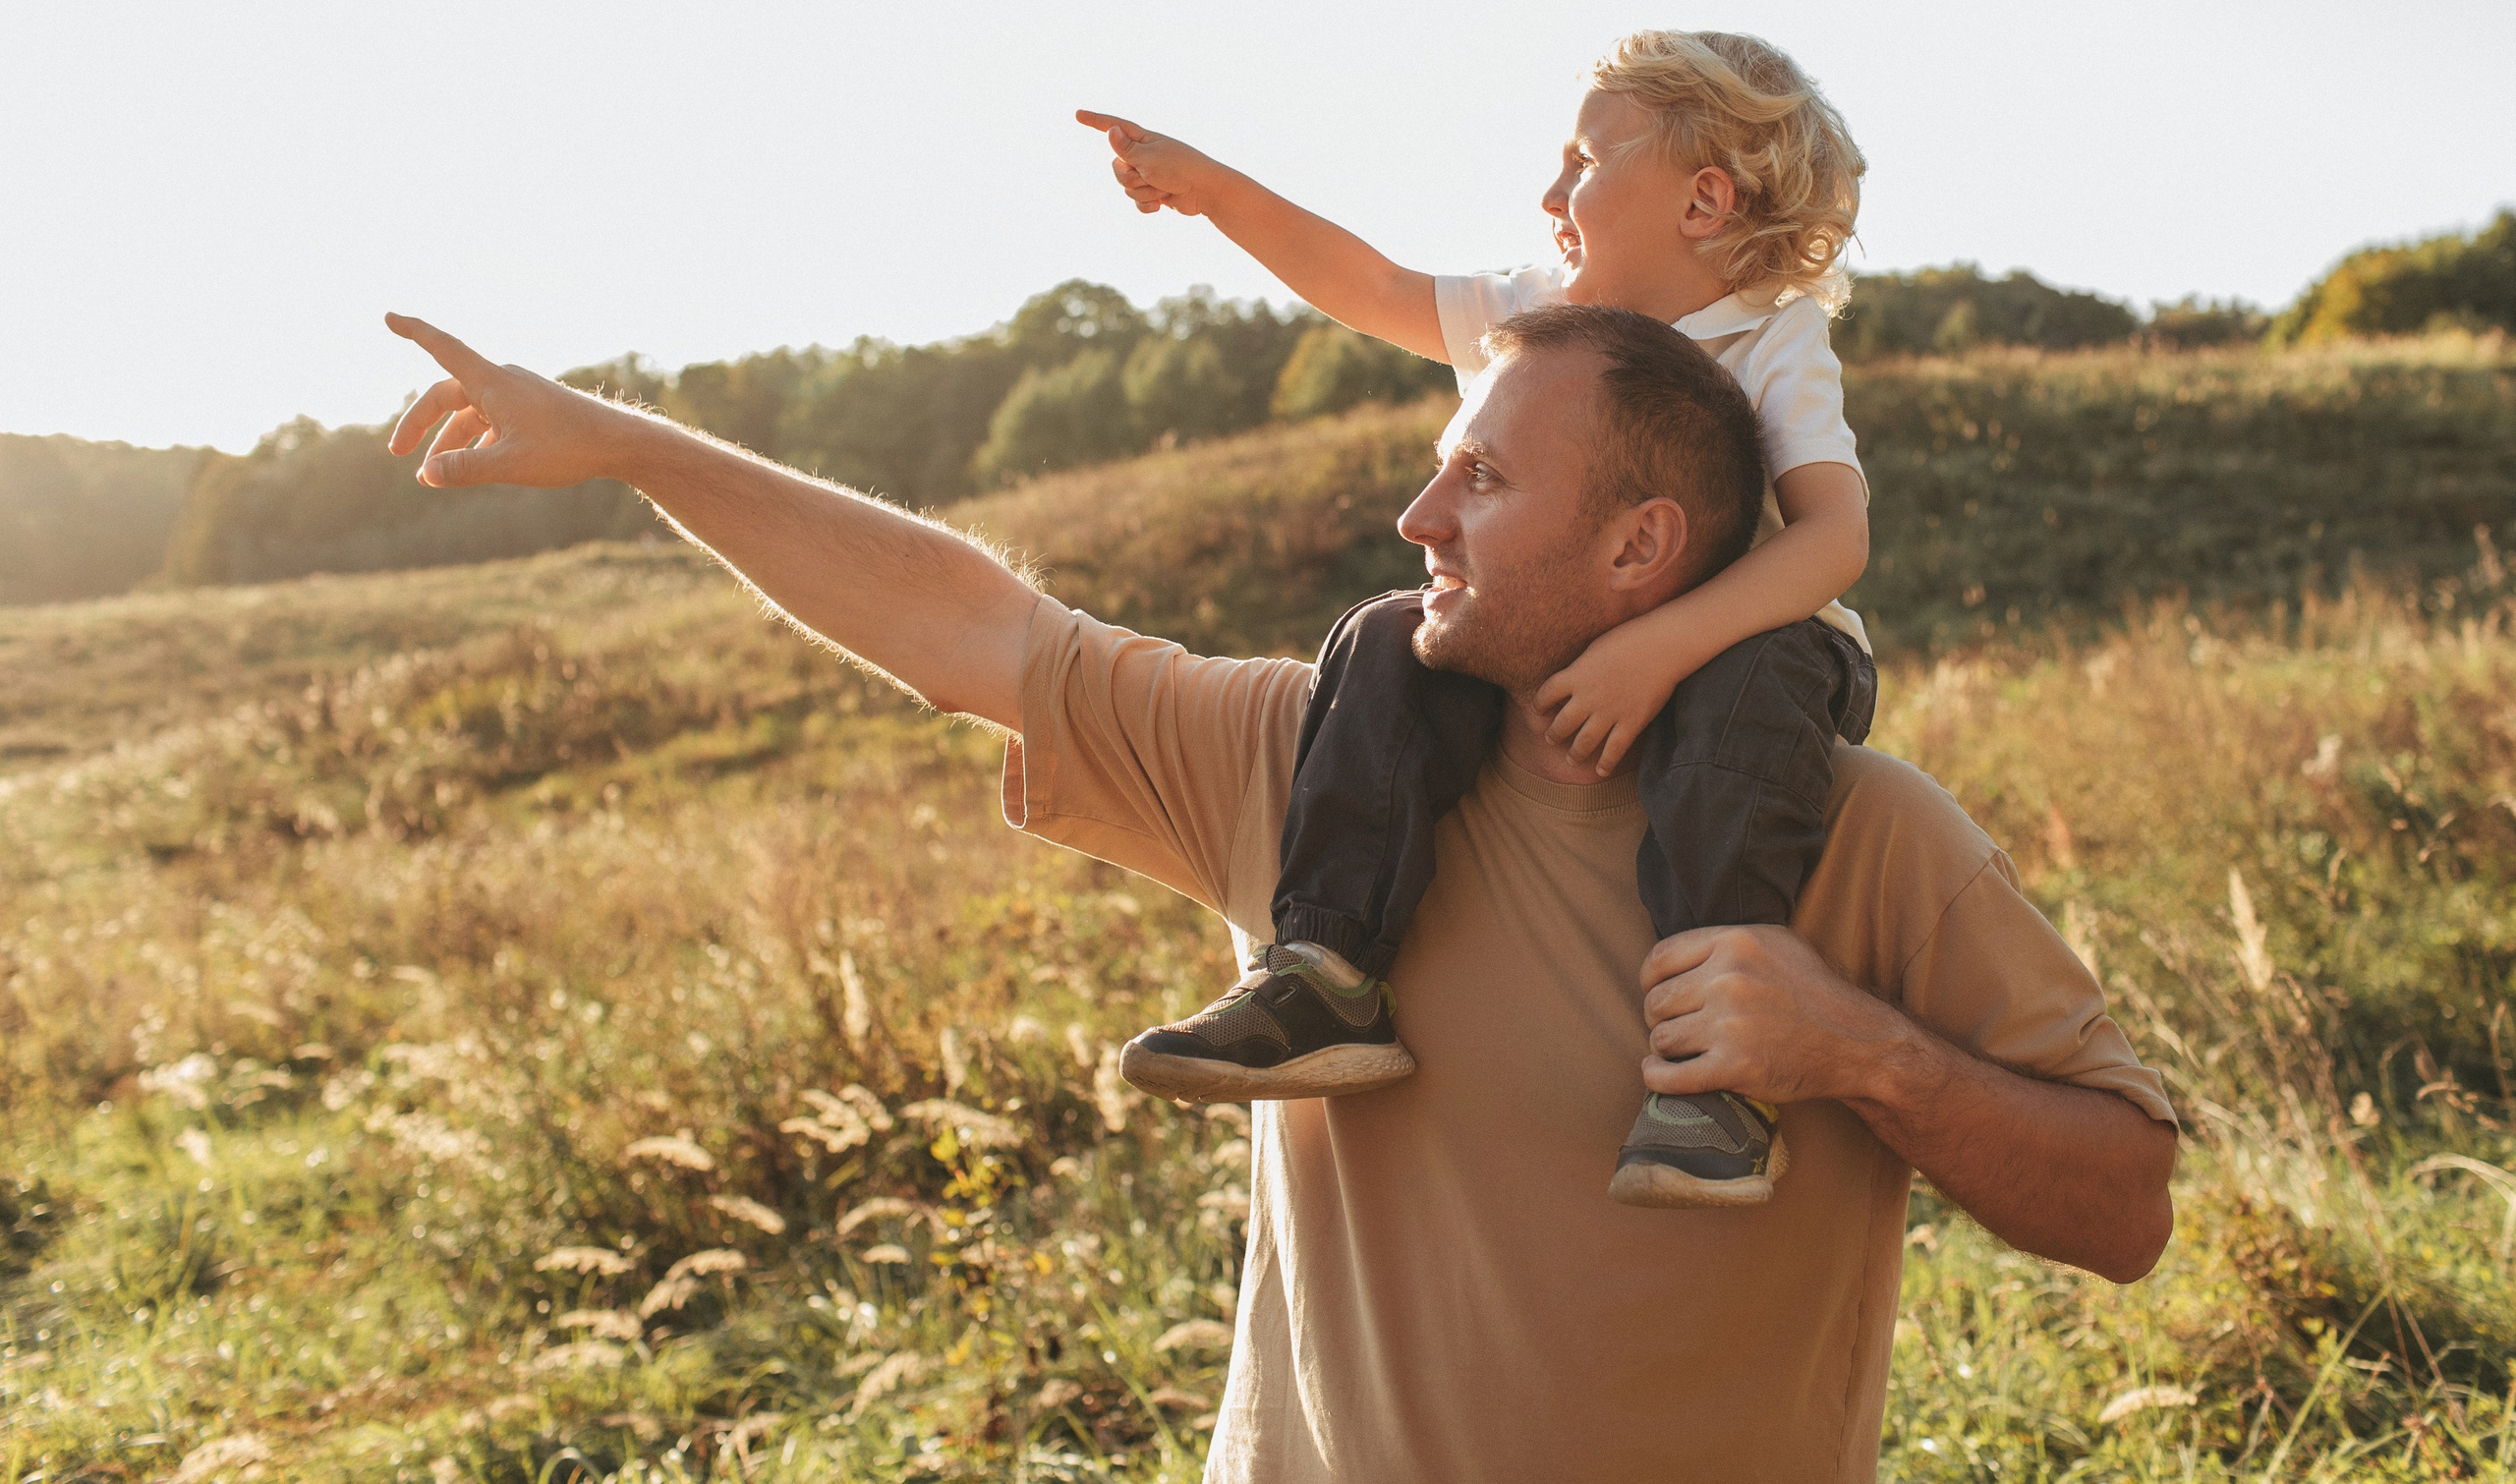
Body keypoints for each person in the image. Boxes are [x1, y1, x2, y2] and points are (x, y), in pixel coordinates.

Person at [381, 301, 2177, 1483]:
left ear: (1644, 547)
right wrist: (629, 444)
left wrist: (1864, 1050)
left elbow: (2125, 1206)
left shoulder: (1867, 837)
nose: (1419, 515)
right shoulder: (1318, 770)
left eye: (1483, 477)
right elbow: (973, 628)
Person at [1080, 30, 1875, 1209]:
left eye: (1586, 162)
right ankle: (1328, 970)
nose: (1550, 194)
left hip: (1743, 647)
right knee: (1382, 635)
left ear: (1705, 200)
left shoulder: (1772, 336)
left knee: (1747, 693)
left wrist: (1661, 646)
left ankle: (1716, 1075)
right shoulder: (1540, 311)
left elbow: (1831, 538)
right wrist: (1211, 189)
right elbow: (1370, 286)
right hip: (1553, 624)